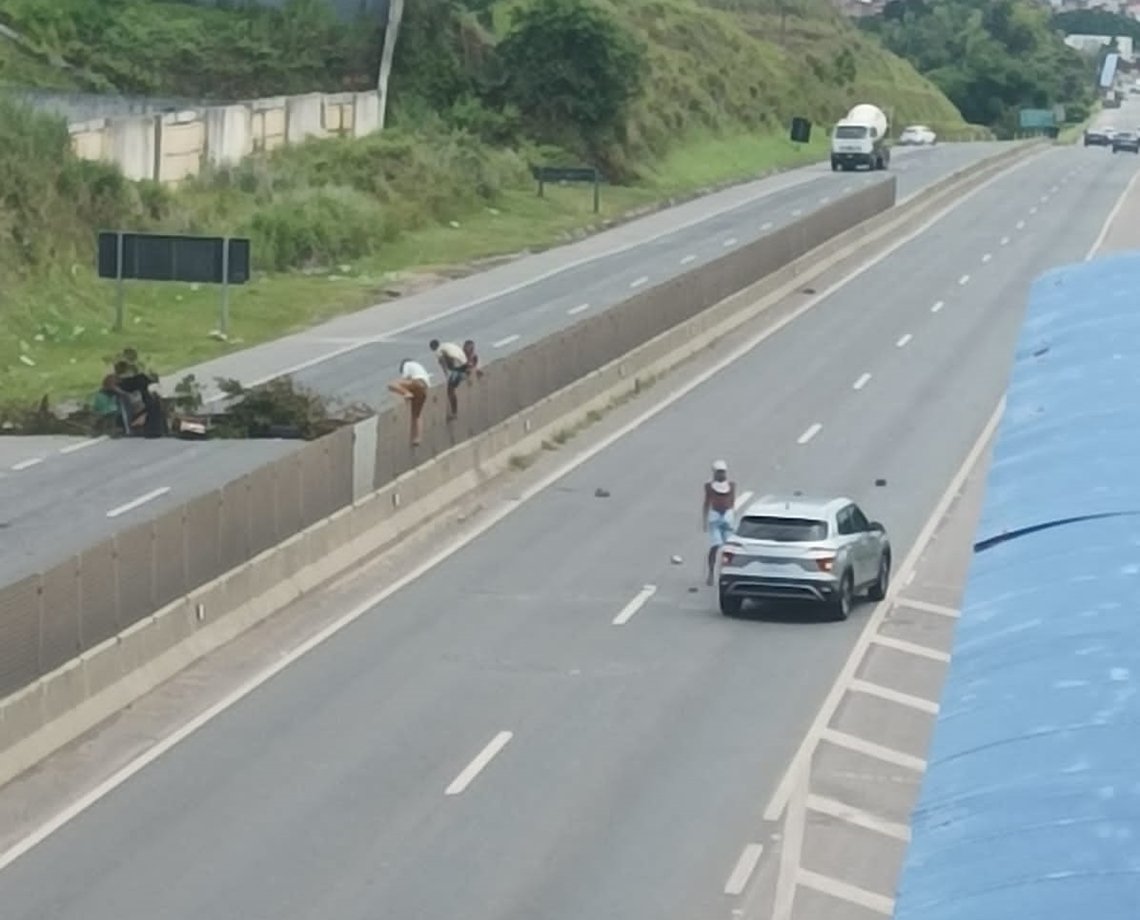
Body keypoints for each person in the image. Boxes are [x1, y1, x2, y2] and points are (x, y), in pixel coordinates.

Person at [702, 459, 737, 586]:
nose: (721, 475)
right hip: (715, 517)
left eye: (723, 472)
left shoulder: (731, 485)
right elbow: (707, 503)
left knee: (730, 548)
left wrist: (732, 516)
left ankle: (728, 573)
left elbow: (732, 502)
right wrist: (705, 520)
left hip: (727, 517)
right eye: (719, 472)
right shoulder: (709, 487)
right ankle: (711, 573)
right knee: (715, 546)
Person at [388, 358, 432, 446]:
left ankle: (407, 393)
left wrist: (405, 393)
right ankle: (416, 439)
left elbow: (405, 378)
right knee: (416, 416)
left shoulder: (407, 365)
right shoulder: (418, 366)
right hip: (424, 389)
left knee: (391, 384)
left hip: (417, 383)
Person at [430, 338, 473, 419]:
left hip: (459, 368)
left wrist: (447, 374)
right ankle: (453, 411)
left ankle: (454, 413)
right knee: (451, 389)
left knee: (450, 391)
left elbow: (443, 362)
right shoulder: (446, 345)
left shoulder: (438, 351)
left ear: (433, 347)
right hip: (465, 364)